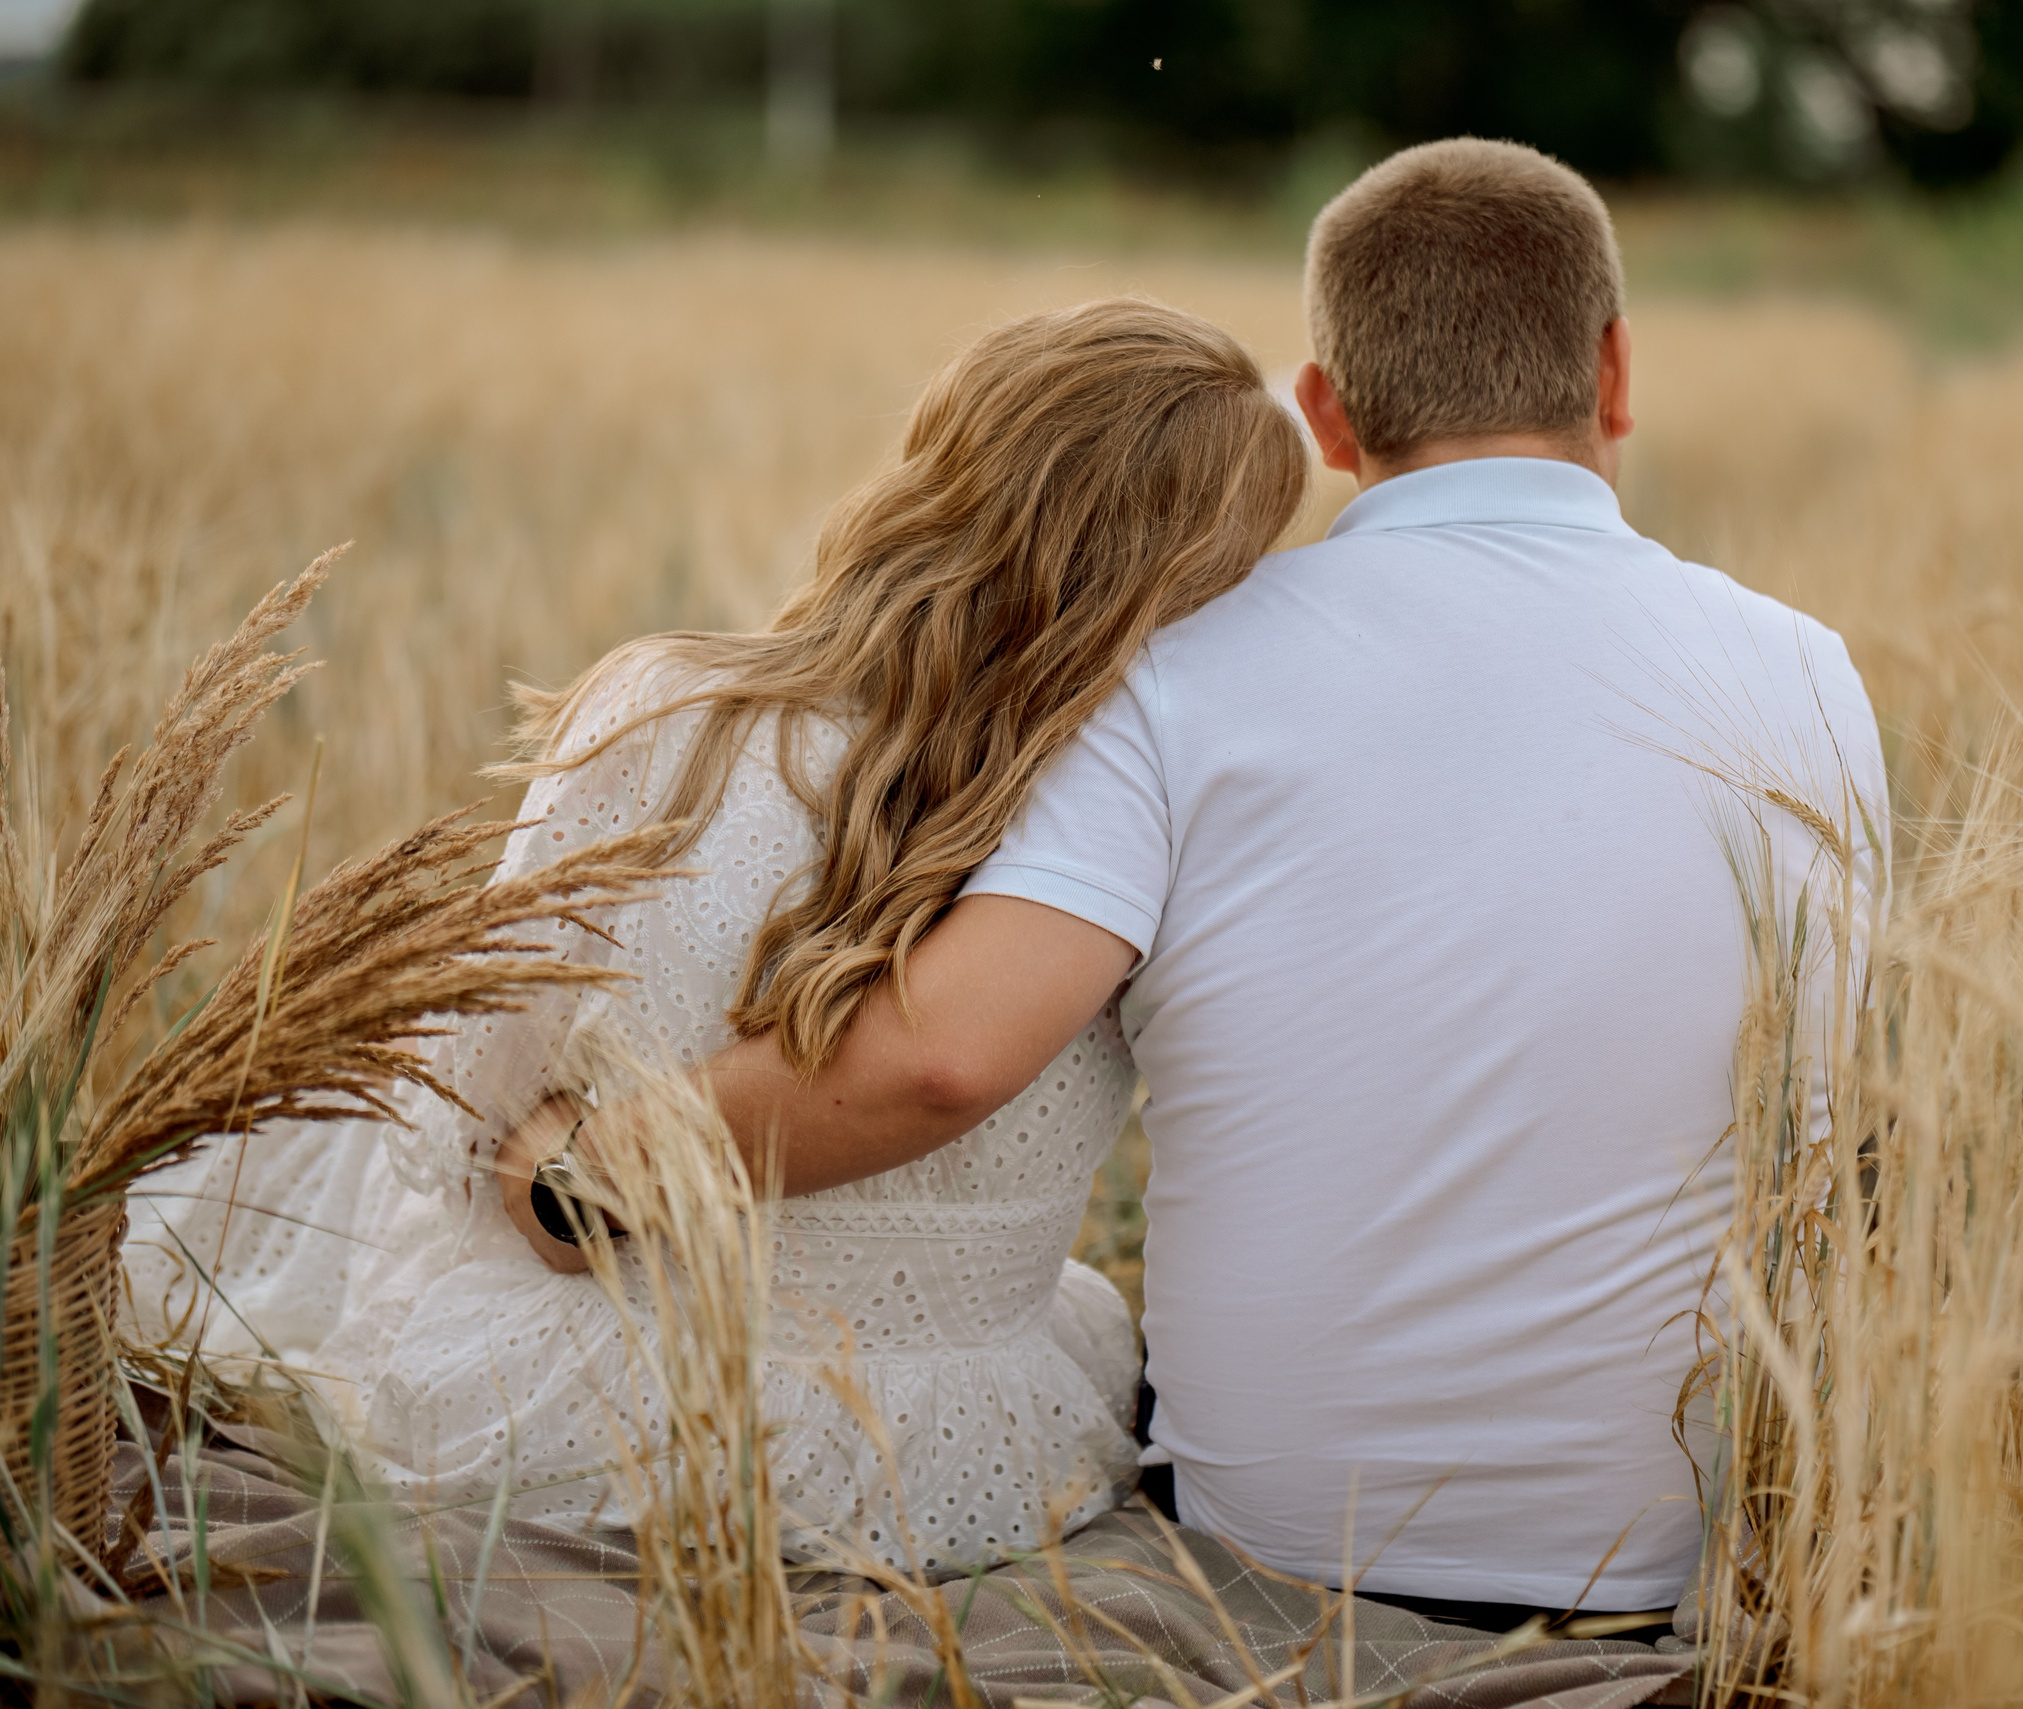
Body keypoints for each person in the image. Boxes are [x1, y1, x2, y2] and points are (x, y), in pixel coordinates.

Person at [679, 138, 1888, 1628]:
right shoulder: (1811, 679)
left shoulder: (1184, 671)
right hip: (1692, 1545)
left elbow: (939, 1055)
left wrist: (601, 1162)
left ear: (1323, 412)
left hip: (1282, 1547)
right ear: (1616, 369)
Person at [123, 298, 1309, 1576]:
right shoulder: (1165, 819)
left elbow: (481, 1133)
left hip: (602, 1404)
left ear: (948, 462)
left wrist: (568, 1165)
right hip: (956, 1447)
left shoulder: (668, 710)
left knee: (291, 1184)